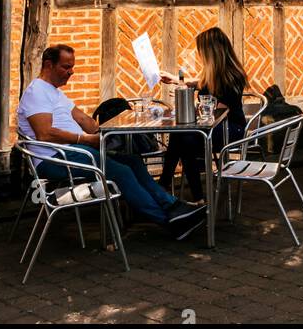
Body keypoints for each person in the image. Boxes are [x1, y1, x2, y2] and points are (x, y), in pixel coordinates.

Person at [17, 44, 204, 239]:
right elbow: (45, 134)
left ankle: (173, 206)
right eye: (66, 67)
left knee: (133, 161)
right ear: (48, 65)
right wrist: (87, 139)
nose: (71, 72)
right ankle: (169, 222)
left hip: (76, 150)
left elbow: (84, 120)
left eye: (72, 67)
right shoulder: (37, 92)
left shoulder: (55, 92)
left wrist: (108, 133)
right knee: (120, 172)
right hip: (55, 159)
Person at [159, 27, 247, 203]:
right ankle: (176, 188)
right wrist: (177, 79)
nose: (200, 56)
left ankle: (169, 186)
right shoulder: (218, 74)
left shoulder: (231, 78)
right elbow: (202, 84)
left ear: (212, 52)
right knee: (181, 137)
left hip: (231, 129)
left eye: (202, 52)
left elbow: (217, 113)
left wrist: (191, 105)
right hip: (218, 126)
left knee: (184, 140)